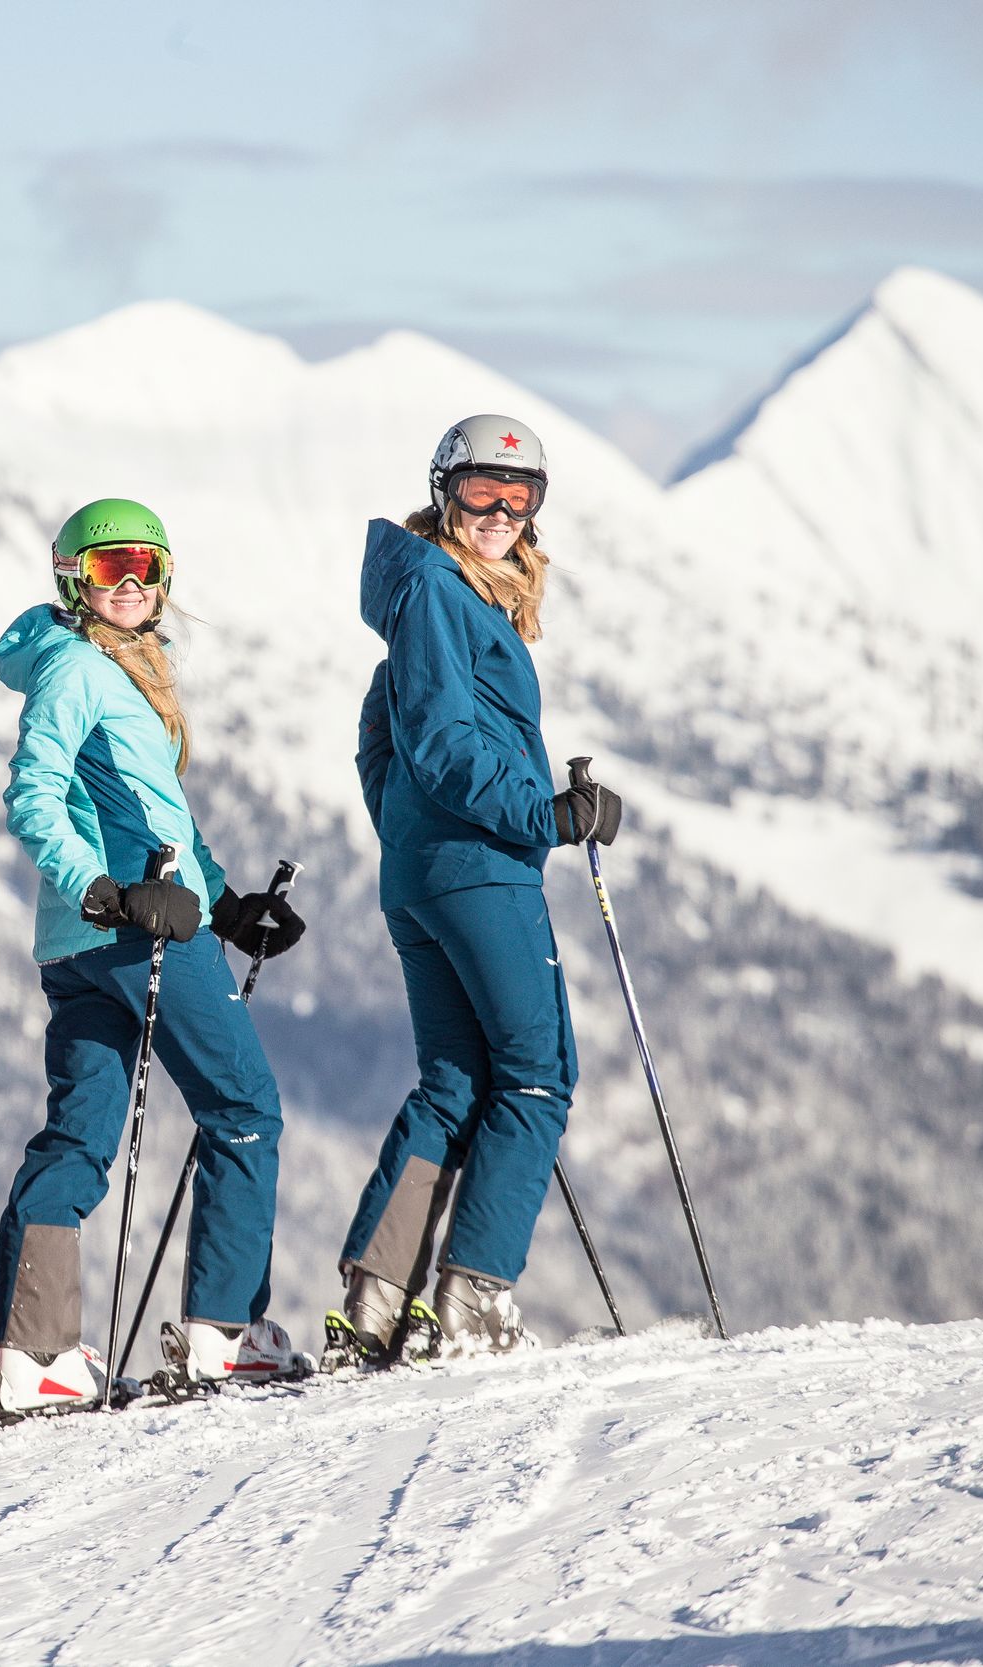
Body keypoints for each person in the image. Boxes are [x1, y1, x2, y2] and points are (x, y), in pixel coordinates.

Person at [0, 498, 307, 1413]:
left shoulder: (116, 668)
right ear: (69, 579)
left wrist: (230, 903)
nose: (128, 585)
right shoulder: (79, 670)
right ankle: (226, 1332)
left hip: (89, 941)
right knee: (244, 1107)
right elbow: (33, 793)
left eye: (145, 567)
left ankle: (37, 1352)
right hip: (133, 931)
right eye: (106, 568)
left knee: (81, 1130)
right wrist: (111, 891)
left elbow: (156, 814)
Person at [326, 416, 622, 1368]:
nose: (500, 512)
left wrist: (409, 838)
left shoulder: (426, 593)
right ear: (444, 489)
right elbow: (447, 744)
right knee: (538, 1073)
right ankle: (474, 1300)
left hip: (425, 873)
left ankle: (378, 1300)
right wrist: (546, 815)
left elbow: (381, 736)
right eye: (481, 490)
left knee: (456, 1081)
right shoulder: (440, 592)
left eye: (521, 496)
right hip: (479, 867)